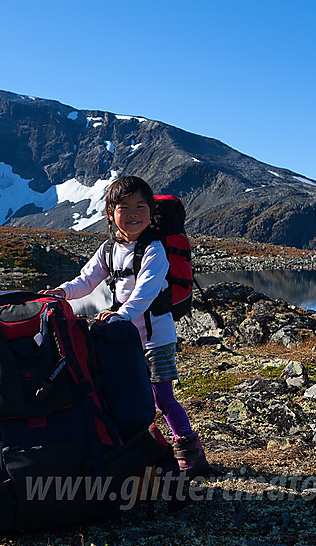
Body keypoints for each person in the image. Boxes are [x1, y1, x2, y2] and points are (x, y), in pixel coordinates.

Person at [41, 175, 209, 475]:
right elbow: (87, 280)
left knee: (161, 397)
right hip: (125, 338)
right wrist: (62, 293)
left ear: (151, 212)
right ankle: (141, 452)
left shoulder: (155, 250)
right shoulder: (109, 249)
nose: (133, 214)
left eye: (141, 206)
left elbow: (145, 293)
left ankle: (189, 451)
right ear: (110, 213)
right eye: (124, 207)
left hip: (156, 337)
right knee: (125, 394)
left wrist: (120, 315)